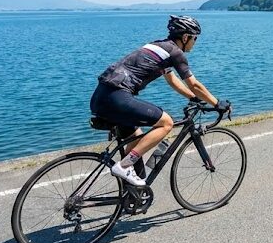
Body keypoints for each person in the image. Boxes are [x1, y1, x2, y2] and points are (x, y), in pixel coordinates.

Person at [90, 15, 226, 186]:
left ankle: (130, 195)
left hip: (102, 96)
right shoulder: (175, 52)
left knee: (136, 137)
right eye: (194, 38)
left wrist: (193, 98)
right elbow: (194, 84)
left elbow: (173, 80)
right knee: (166, 123)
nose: (195, 42)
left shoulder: (158, 46)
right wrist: (216, 103)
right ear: (185, 37)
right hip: (117, 97)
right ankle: (124, 166)